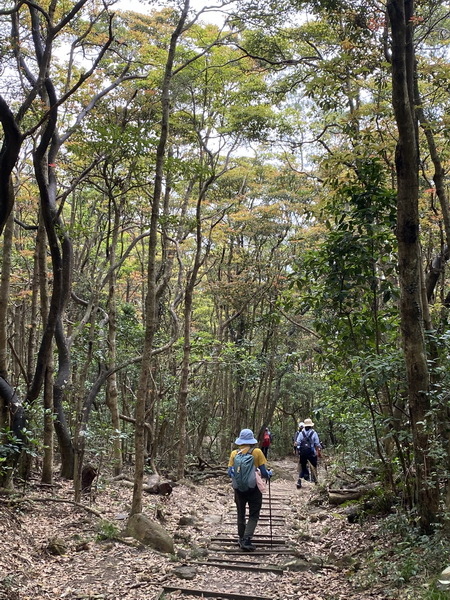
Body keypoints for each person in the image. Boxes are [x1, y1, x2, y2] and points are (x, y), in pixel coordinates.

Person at [228, 428, 272, 551]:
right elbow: (264, 473)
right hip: (254, 489)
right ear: (252, 440)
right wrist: (269, 474)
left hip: (238, 489)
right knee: (254, 514)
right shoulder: (257, 452)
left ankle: (241, 538)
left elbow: (229, 473)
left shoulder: (234, 453)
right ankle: (247, 539)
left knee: (240, 513)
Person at [295, 418, 321, 489]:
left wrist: (299, 451)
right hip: (312, 453)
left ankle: (299, 482)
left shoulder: (301, 433)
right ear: (311, 426)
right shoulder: (314, 433)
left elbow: (298, 443)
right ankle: (316, 481)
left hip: (303, 453)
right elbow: (317, 443)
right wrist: (319, 449)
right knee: (314, 467)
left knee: (303, 467)